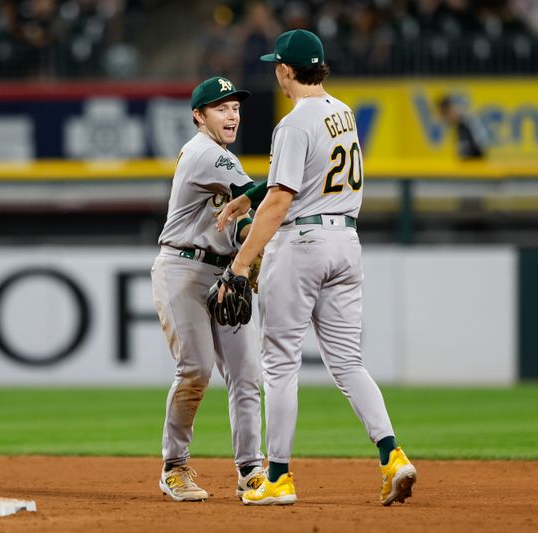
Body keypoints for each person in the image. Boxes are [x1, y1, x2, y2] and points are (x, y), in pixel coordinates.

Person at [215, 29, 417, 506]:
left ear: (285, 69)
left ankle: (279, 478)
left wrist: (240, 266)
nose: (275, 72)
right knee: (348, 362)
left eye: (276, 65)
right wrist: (250, 193)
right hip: (346, 240)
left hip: (302, 242)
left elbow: (283, 198)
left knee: (280, 364)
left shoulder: (292, 122)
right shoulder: (343, 112)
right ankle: (393, 455)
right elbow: (299, 177)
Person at [151, 76, 266, 502]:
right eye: (221, 108)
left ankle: (251, 469)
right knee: (196, 370)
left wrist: (246, 263)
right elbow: (255, 195)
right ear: (199, 116)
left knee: (246, 373)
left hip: (222, 273)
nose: (232, 113)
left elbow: (240, 218)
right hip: (182, 268)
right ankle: (174, 466)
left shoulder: (221, 157)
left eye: (235, 106)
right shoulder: (207, 154)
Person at [437, 94, 488, 160]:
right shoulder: (457, 126)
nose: (444, 118)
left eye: (444, 114)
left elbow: (482, 144)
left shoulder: (470, 122)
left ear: (452, 109)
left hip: (475, 164)